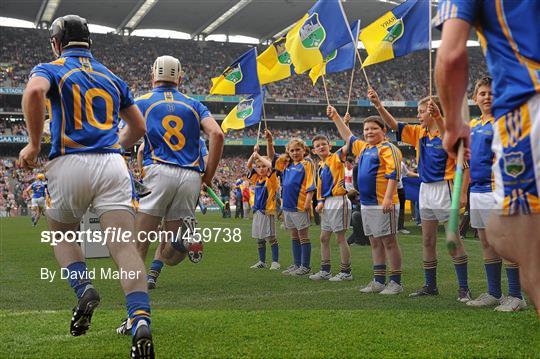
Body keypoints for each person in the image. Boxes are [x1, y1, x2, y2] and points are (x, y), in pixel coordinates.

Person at [18, 15, 154, 358]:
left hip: (68, 162)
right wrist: (114, 145)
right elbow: (138, 127)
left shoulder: (50, 67)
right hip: (111, 164)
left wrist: (34, 144)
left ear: (56, 42)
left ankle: (84, 288)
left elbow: (34, 92)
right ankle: (139, 319)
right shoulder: (111, 75)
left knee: (63, 234)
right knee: (124, 248)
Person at [435, 0, 539, 315]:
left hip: (528, 107)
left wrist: (452, 124)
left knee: (519, 244)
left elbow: (451, 54)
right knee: (496, 232)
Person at [129, 55, 223, 295]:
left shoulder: (141, 102)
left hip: (158, 171)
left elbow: (128, 138)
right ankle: (182, 242)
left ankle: (136, 298)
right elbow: (217, 135)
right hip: (190, 176)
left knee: (140, 242)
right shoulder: (195, 104)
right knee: (170, 251)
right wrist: (208, 176)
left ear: (153, 76)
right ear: (180, 78)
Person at [369, 89, 471, 301]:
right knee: (427, 240)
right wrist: (379, 106)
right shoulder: (419, 133)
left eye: (421, 111)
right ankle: (430, 285)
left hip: (446, 187)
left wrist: (462, 194)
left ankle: (464, 288)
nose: (418, 115)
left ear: (434, 112)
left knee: (453, 240)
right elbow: (395, 125)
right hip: (426, 189)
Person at [461, 77, 526, 311]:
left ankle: (516, 296)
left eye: (491, 93)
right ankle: (494, 293)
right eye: (483, 93)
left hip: (499, 190)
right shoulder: (474, 125)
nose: (487, 97)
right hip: (477, 191)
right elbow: (467, 160)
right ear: (475, 98)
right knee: (486, 242)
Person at [330, 107, 404, 294]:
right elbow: (348, 136)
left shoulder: (388, 148)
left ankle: (395, 282)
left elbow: (394, 173)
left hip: (383, 203)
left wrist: (388, 198)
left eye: (374, 128)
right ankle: (378, 280)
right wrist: (336, 117)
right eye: (366, 129)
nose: (369, 132)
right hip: (367, 203)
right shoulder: (363, 148)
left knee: (389, 242)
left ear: (383, 131)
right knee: (374, 242)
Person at [309, 134, 352, 281]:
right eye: (317, 145)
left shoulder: (336, 157)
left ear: (330, 146)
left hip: (339, 201)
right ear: (314, 151)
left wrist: (345, 127)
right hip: (327, 203)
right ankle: (325, 270)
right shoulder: (320, 165)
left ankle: (346, 272)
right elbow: (321, 186)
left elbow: (349, 144)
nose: (321, 147)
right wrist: (320, 201)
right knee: (324, 238)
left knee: (340, 238)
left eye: (323, 144)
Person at [274, 138, 316, 276]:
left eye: (298, 150)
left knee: (303, 236)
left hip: (300, 205)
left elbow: (311, 182)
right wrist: (269, 142)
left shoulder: (307, 162)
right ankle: (297, 263)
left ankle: (305, 266)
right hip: (288, 206)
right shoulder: (287, 165)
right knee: (294, 236)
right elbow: (272, 159)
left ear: (304, 150)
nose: (295, 152)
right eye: (291, 150)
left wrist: (308, 201)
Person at [247, 145, 280, 270]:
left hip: (267, 211)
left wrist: (259, 156)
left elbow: (271, 165)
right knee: (260, 238)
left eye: (263, 166)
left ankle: (275, 262)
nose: (261, 169)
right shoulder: (257, 179)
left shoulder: (271, 179)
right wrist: (254, 153)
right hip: (258, 211)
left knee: (271, 237)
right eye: (259, 167)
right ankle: (262, 261)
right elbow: (249, 166)